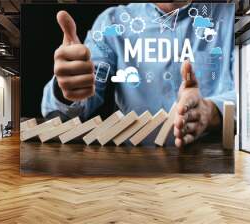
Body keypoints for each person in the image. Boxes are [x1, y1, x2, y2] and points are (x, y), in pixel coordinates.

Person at [42, 3, 235, 147]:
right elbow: (81, 97)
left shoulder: (232, 18)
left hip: (212, 166)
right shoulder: (112, 23)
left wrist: (210, 112)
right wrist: (68, 86)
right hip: (136, 167)